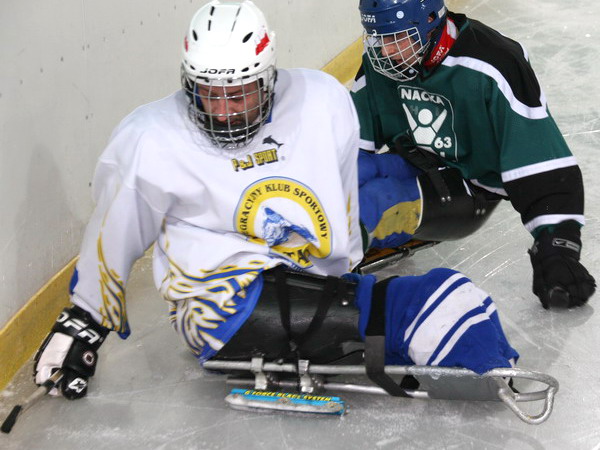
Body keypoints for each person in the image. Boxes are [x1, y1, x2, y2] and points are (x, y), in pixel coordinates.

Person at [33, 0, 517, 400]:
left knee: (423, 262)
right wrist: (83, 323)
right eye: (209, 94)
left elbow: (341, 200)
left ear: (267, 78)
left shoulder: (321, 100)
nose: (223, 112)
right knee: (431, 305)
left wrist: (341, 275)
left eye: (239, 94)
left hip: (301, 276)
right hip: (219, 304)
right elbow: (112, 231)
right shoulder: (150, 138)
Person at [351, 0, 596, 309]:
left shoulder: (494, 64)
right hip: (417, 162)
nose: (385, 51)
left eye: (396, 37)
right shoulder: (381, 63)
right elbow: (353, 148)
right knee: (353, 180)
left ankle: (325, 278)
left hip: (470, 187)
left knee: (378, 200)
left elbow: (540, 160)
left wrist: (558, 248)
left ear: (430, 20)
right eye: (378, 37)